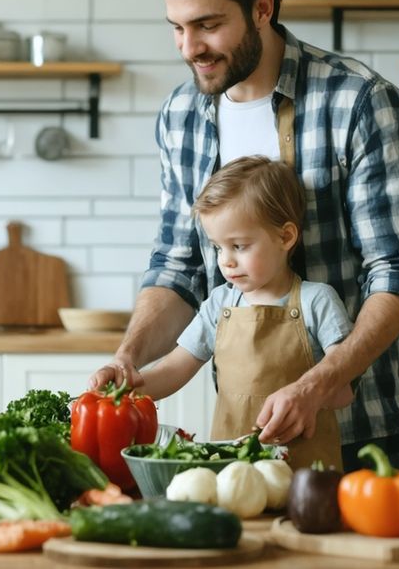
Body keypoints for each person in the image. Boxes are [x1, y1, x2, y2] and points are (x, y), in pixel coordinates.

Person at [89, 0, 399, 472]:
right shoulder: (181, 115)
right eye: (177, 27)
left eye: (207, 24)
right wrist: (128, 359)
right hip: (242, 447)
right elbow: (178, 266)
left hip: (360, 436)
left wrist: (319, 384)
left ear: (263, 7)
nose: (188, 47)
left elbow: (394, 273)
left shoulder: (361, 102)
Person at [120, 156, 355, 469]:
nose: (225, 261)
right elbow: (174, 370)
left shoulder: (318, 302)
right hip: (231, 470)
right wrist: (124, 389)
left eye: (239, 246)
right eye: (218, 247)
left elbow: (342, 392)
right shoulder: (220, 304)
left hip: (306, 472)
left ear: (286, 237)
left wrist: (305, 396)